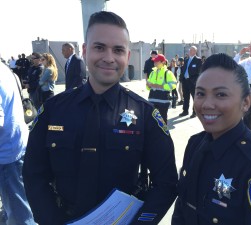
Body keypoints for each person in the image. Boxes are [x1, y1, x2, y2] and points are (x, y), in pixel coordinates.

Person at [23, 11, 178, 225]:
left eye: (118, 50)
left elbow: (166, 182)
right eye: (99, 47)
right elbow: (33, 173)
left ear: (127, 56)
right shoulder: (53, 110)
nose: (109, 57)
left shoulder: (145, 114)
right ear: (85, 51)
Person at [171, 53, 251, 225]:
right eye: (200, 94)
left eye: (221, 95)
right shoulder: (195, 144)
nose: (207, 104)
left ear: (246, 102)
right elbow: (183, 209)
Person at [0, 61, 36, 225]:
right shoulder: (4, 69)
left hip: (6, 156)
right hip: (16, 146)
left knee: (20, 216)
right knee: (21, 207)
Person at [147, 54, 177, 123]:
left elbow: (173, 84)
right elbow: (148, 86)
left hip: (163, 102)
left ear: (163, 62)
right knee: (152, 122)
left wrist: (161, 86)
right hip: (152, 100)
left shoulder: (168, 73)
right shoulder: (152, 73)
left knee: (162, 122)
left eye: (157, 61)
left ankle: (163, 134)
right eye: (154, 61)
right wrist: (148, 85)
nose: (155, 63)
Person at [179, 46, 202, 118]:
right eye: (189, 50)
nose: (190, 52)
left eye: (191, 50)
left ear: (195, 51)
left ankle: (194, 112)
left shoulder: (198, 60)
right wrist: (181, 79)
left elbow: (200, 72)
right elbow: (183, 70)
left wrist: (196, 81)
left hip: (192, 82)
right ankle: (185, 111)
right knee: (186, 97)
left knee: (194, 97)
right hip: (185, 81)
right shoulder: (186, 60)